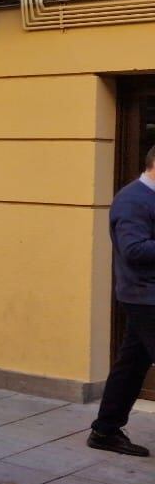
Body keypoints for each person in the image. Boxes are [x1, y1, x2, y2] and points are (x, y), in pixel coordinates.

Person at [85, 147, 155, 458]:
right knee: (132, 363)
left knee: (131, 364)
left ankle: (105, 430)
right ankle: (106, 429)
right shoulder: (132, 200)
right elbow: (134, 250)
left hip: (144, 295)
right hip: (146, 297)